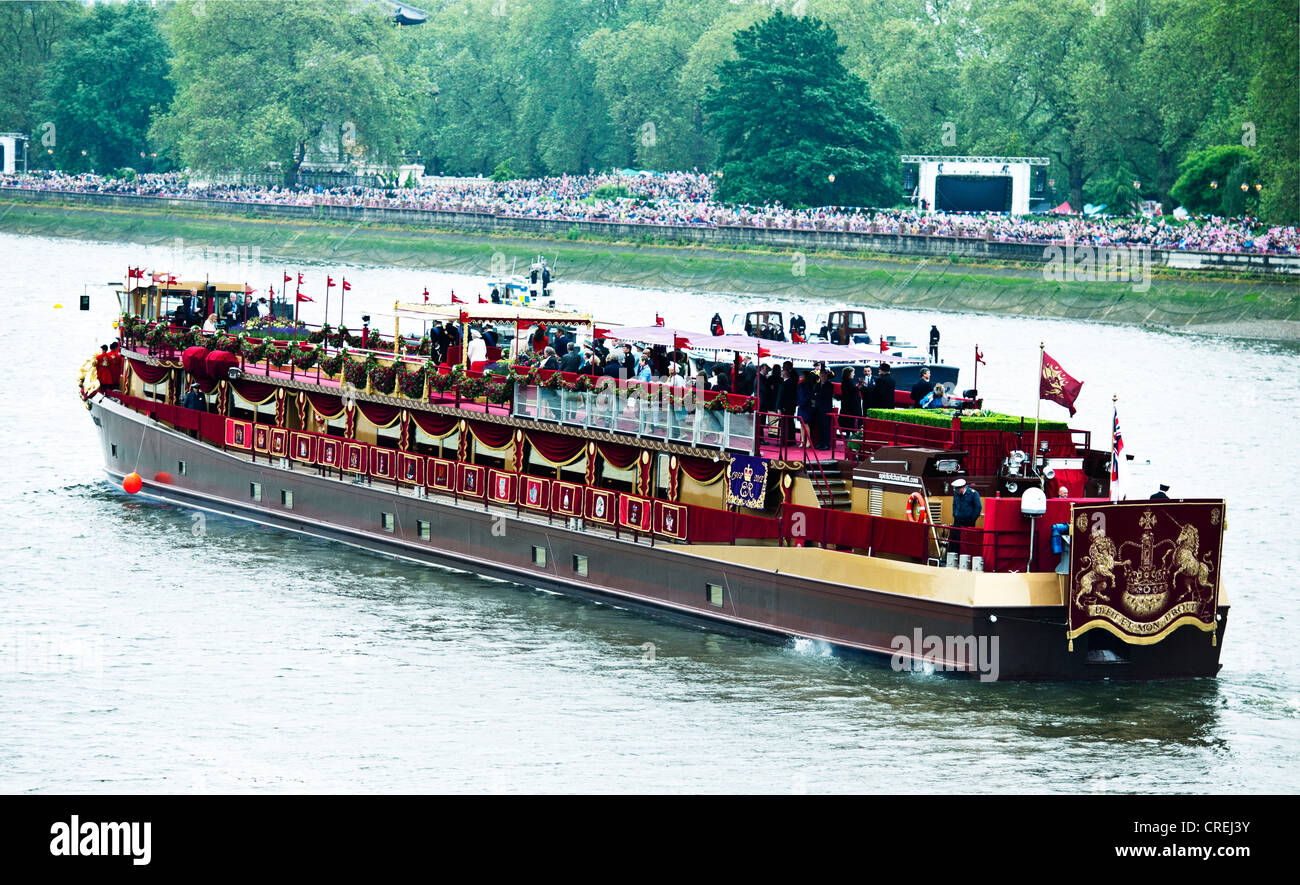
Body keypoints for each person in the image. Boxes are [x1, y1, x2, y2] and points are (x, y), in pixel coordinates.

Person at [949, 477, 982, 558]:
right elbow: (954, 504)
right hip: (958, 521)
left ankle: (967, 558)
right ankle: (955, 557)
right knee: (956, 540)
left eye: (958, 489)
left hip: (969, 522)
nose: (956, 491)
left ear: (963, 488)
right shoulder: (956, 493)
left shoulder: (973, 493)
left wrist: (972, 519)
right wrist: (955, 514)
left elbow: (978, 507)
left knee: (968, 541)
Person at [777, 365, 798, 445]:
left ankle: (784, 441)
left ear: (786, 372)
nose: (782, 372)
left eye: (783, 371)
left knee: (785, 424)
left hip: (784, 407)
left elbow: (781, 396)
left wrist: (779, 407)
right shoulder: (792, 382)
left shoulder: (786, 383)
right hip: (790, 407)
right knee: (790, 423)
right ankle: (791, 440)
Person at [813, 367, 833, 450]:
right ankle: (821, 443)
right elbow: (815, 394)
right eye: (821, 376)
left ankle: (826, 444)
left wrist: (818, 394)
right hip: (818, 408)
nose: (823, 378)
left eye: (824, 376)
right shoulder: (817, 385)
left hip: (826, 409)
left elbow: (826, 395)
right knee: (820, 427)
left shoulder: (830, 385)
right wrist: (818, 395)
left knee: (826, 427)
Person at [838, 367, 861, 432]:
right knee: (851, 420)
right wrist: (860, 385)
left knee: (847, 419)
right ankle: (853, 432)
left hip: (847, 404)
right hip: (851, 406)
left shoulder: (845, 381)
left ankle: (848, 432)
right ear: (849, 374)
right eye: (853, 373)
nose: (854, 374)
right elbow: (853, 390)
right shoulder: (849, 381)